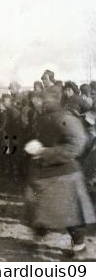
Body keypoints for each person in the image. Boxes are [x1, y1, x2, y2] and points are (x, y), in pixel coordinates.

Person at [24, 84, 96, 260]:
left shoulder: (66, 119)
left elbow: (77, 144)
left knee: (71, 215)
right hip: (45, 173)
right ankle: (38, 243)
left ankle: (80, 250)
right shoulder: (43, 118)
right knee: (39, 210)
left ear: (52, 100)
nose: (38, 102)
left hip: (64, 174)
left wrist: (44, 152)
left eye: (42, 99)